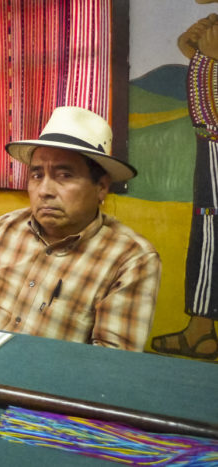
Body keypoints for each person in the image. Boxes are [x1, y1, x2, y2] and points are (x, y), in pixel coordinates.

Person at [0, 106, 161, 352]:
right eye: (36, 175)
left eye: (64, 175)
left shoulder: (130, 259)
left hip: (41, 385)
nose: (45, 191)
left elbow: (109, 364)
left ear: (101, 187)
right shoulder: (3, 228)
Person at [152, 14, 218, 360]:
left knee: (210, 227)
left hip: (216, 143)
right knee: (206, 228)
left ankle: (200, 330)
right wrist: (197, 50)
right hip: (209, 142)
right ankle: (201, 329)